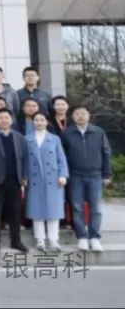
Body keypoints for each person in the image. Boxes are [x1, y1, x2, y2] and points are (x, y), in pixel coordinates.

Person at [62, 105, 113, 252]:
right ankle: (82, 237)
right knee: (77, 207)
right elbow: (63, 156)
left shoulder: (98, 132)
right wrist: (65, 174)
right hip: (75, 175)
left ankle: (94, 237)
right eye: (77, 114)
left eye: (83, 113)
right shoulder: (67, 133)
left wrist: (107, 174)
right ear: (72, 116)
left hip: (95, 175)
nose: (80, 116)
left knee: (95, 208)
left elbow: (106, 153)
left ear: (89, 115)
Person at [0, 108, 28, 253]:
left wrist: (24, 176)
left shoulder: (19, 137)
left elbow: (25, 159)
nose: (4, 120)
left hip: (15, 180)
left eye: (7, 117)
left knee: (15, 213)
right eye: (1, 118)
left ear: (11, 119)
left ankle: (16, 241)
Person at [25, 113, 69, 253]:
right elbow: (24, 160)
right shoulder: (27, 139)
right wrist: (24, 177)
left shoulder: (54, 139)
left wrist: (63, 174)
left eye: (42, 120)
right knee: (37, 211)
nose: (39, 122)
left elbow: (61, 158)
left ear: (46, 122)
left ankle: (54, 240)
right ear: (32, 122)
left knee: (53, 211)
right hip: (34, 178)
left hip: (53, 178)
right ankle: (40, 240)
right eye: (36, 120)